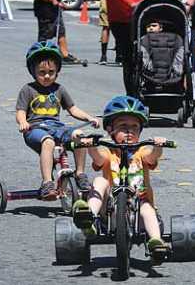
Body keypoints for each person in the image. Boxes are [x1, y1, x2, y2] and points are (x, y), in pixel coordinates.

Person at [71, 96, 170, 264]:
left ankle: (156, 243)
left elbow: (153, 157)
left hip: (139, 208)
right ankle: (89, 216)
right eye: (123, 126)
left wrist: (158, 146)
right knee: (100, 181)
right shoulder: (109, 152)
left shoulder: (141, 152)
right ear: (111, 130)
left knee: (147, 209)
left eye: (134, 127)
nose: (129, 131)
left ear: (140, 130)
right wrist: (87, 143)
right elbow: (97, 158)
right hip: (109, 210)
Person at [16, 41, 101, 199]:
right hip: (35, 130)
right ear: (33, 72)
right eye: (42, 72)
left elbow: (72, 109)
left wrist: (89, 117)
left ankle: (80, 173)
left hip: (57, 128)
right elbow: (20, 111)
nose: (47, 76)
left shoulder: (59, 89)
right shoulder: (28, 89)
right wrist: (23, 122)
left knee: (80, 136)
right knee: (48, 142)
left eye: (51, 72)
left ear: (57, 72)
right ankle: (47, 182)